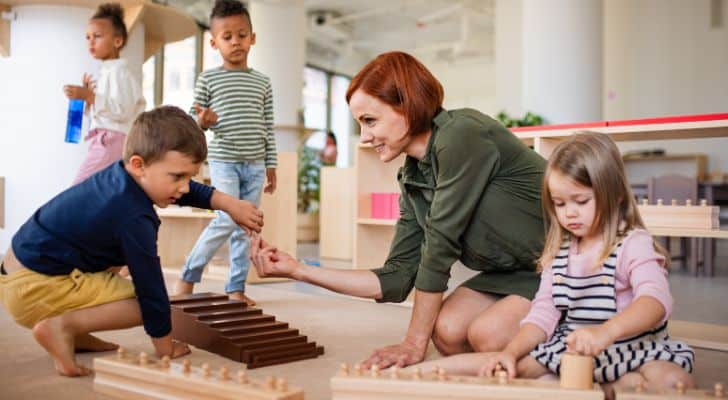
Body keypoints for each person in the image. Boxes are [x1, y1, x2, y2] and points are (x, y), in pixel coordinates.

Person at [251, 51, 546, 369]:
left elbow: (439, 248)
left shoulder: (461, 134)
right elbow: (396, 277)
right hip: (511, 274)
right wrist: (299, 270)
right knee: (446, 332)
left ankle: (595, 320)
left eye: (370, 121)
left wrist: (413, 343)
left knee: (488, 336)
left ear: (407, 105)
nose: (364, 137)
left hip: (566, 267)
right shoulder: (412, 177)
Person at [418, 132, 694, 398]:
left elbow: (655, 301)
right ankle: (419, 371)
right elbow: (543, 316)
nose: (569, 212)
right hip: (572, 351)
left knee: (673, 381)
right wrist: (511, 352)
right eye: (560, 204)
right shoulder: (559, 253)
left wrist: (606, 332)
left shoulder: (633, 244)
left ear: (616, 196)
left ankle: (611, 383)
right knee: (509, 368)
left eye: (581, 201)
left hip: (634, 347)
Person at [0, 106, 264, 377]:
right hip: (34, 289)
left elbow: (184, 191)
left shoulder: (122, 176)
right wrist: (165, 348)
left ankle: (74, 334)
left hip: (20, 275)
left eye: (190, 176)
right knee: (144, 302)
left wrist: (229, 203)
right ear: (139, 165)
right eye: (177, 177)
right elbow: (151, 289)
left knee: (117, 259)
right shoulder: (134, 216)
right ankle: (61, 326)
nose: (185, 187)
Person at [173, 0, 276, 306]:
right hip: (224, 161)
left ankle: (235, 288)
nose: (235, 42)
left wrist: (271, 165)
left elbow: (268, 126)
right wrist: (201, 121)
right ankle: (188, 275)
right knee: (227, 219)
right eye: (227, 36)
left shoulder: (262, 82)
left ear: (253, 38)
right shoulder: (208, 79)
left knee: (246, 226)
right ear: (214, 42)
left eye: (242, 35)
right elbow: (193, 122)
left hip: (256, 164)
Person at [64, 2, 146, 185]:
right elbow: (106, 110)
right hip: (106, 138)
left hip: (111, 139)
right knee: (105, 191)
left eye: (97, 36)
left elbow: (122, 111)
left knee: (80, 188)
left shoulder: (120, 73)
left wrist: (90, 96)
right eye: (87, 37)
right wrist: (87, 100)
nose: (91, 42)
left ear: (118, 41)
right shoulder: (107, 72)